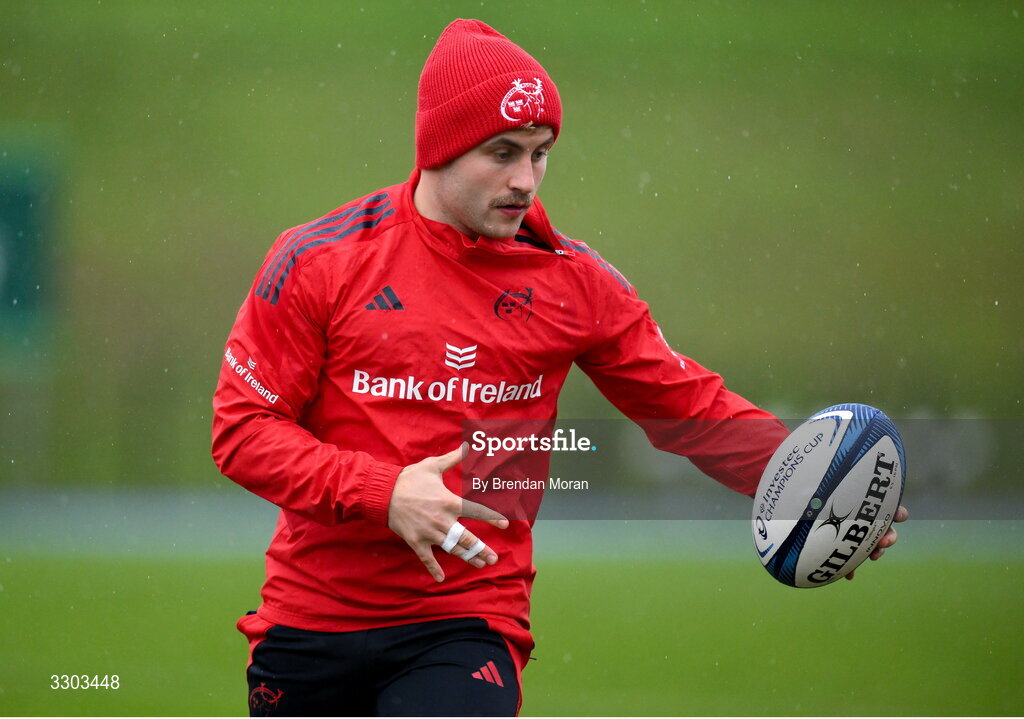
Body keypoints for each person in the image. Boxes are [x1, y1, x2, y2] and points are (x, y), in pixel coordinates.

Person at [211, 18, 907, 717]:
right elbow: (242, 431)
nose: (525, 180)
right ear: (438, 150)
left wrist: (813, 482)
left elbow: (687, 409)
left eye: (541, 154)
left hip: (465, 620)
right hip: (310, 619)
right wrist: (383, 490)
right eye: (503, 152)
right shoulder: (318, 259)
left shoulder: (573, 283)